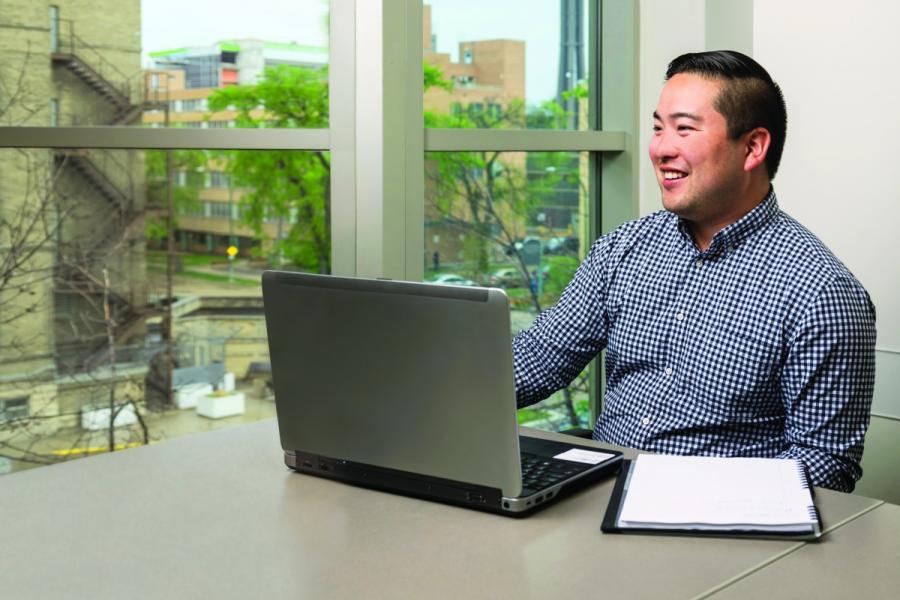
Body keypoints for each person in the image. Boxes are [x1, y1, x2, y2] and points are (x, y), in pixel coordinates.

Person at [512, 50, 876, 492]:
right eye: (658, 127)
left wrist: (693, 499)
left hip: (721, 531)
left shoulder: (822, 292)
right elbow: (540, 358)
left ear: (753, 147)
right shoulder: (624, 249)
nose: (661, 148)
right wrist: (431, 386)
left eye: (684, 128)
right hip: (597, 499)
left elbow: (824, 465)